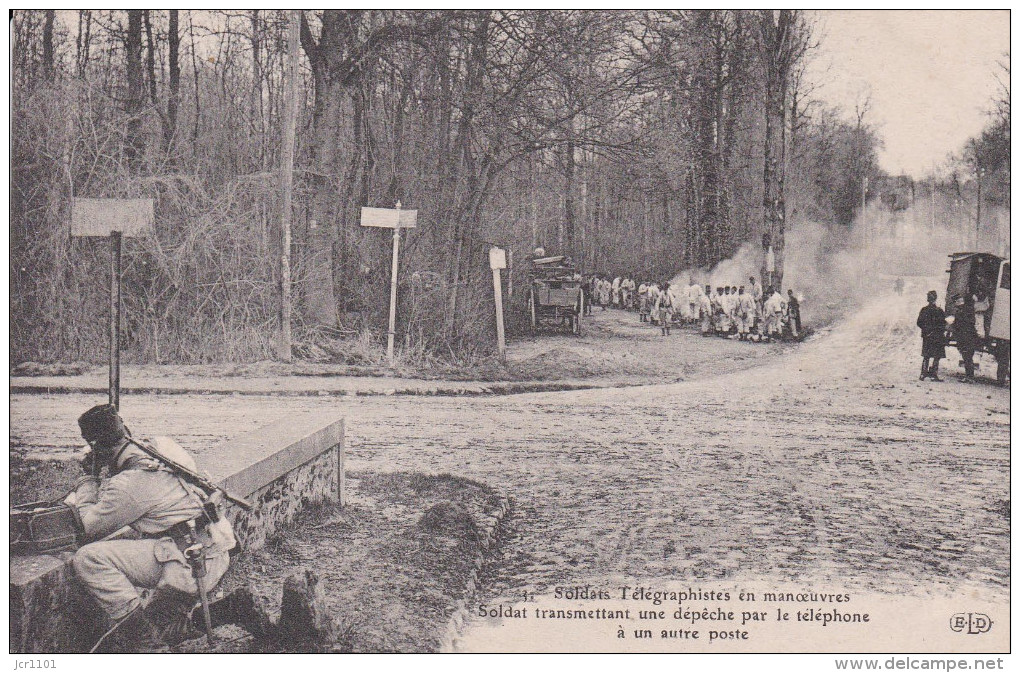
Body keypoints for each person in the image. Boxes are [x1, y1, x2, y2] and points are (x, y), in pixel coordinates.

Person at [66, 405, 266, 652]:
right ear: (125, 430)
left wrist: (88, 479)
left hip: (187, 565)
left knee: (89, 558)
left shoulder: (130, 483)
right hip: (210, 550)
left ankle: (146, 645)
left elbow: (87, 527)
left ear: (97, 449)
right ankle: (233, 608)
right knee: (163, 625)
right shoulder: (161, 447)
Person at [916, 290, 947, 382]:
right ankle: (934, 374)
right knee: (937, 355)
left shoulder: (924, 310)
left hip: (927, 336)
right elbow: (943, 323)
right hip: (937, 337)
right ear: (935, 299)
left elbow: (919, 323)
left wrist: (926, 330)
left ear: (928, 299)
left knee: (926, 355)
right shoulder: (939, 311)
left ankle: (923, 374)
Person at [950, 294, 979, 382]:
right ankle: (969, 376)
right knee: (968, 357)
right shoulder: (969, 310)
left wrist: (952, 325)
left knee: (967, 357)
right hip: (971, 337)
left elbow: (957, 325)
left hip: (965, 338)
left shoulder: (960, 312)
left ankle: (969, 377)